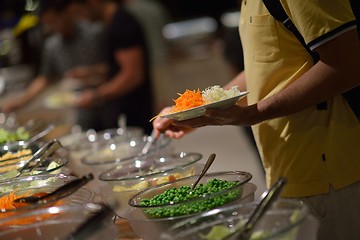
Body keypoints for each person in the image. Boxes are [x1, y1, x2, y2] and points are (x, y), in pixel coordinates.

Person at [153, 1, 360, 239]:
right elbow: (263, 68)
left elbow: (347, 65)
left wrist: (252, 114)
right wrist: (198, 110)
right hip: (286, 166)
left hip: (332, 170)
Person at [2, 0, 107, 130]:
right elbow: (45, 78)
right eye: (49, 24)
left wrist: (91, 72)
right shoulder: (52, 45)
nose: (53, 27)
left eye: (55, 20)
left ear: (66, 13)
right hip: (80, 111)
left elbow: (115, 67)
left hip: (108, 102)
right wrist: (21, 101)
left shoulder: (96, 32)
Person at [72, 0, 154, 134]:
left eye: (80, 12)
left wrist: (95, 96)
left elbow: (132, 75)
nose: (81, 18)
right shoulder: (113, 22)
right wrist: (91, 72)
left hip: (133, 113)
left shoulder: (122, 24)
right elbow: (118, 66)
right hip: (123, 112)